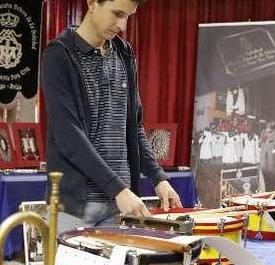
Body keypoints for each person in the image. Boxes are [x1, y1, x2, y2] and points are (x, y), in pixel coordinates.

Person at [41, 0, 181, 230]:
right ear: (92, 3)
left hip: (120, 204)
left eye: (128, 16)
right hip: (76, 204)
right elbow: (69, 136)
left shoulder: (124, 53)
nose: (122, 25)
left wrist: (158, 178)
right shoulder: (59, 56)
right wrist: (117, 188)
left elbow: (134, 128)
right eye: (117, 14)